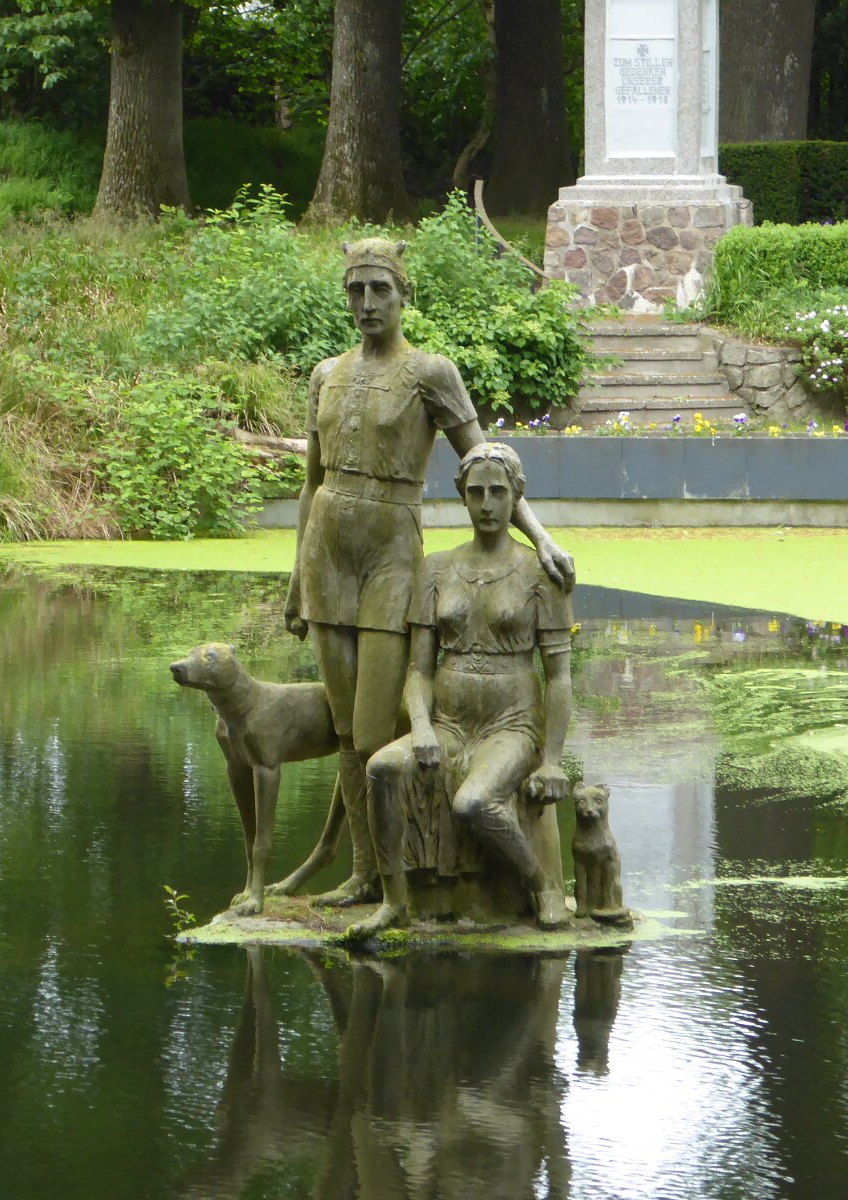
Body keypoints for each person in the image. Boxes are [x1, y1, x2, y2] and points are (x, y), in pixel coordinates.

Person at [284, 240, 573, 906]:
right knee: (345, 727)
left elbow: (488, 461)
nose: (367, 303)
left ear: (403, 294)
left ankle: (419, 866)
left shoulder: (430, 373)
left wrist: (541, 538)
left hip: (390, 547)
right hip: (326, 548)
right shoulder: (326, 374)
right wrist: (297, 575)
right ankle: (366, 872)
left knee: (375, 725)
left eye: (380, 289)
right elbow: (310, 483)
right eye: (356, 290)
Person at [353, 442, 574, 937]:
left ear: (516, 496)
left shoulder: (540, 573)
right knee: (382, 769)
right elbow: (419, 670)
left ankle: (541, 886)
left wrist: (552, 760)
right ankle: (394, 900)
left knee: (472, 803)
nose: (487, 504)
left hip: (511, 724)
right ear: (462, 496)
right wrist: (421, 727)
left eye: (498, 493)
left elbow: (559, 676)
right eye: (476, 493)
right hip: (449, 723)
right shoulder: (435, 568)